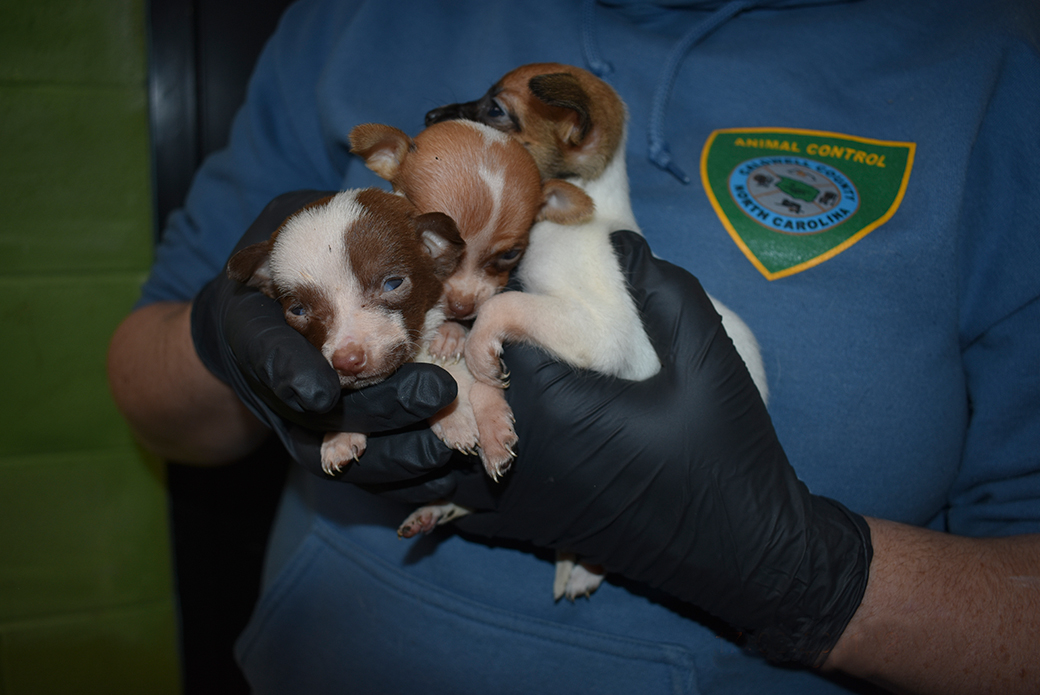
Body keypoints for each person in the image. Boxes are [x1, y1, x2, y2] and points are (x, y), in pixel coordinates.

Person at [108, 0, 1040, 692]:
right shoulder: (352, 16)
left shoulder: (994, 73)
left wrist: (801, 575)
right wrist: (222, 341)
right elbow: (145, 387)